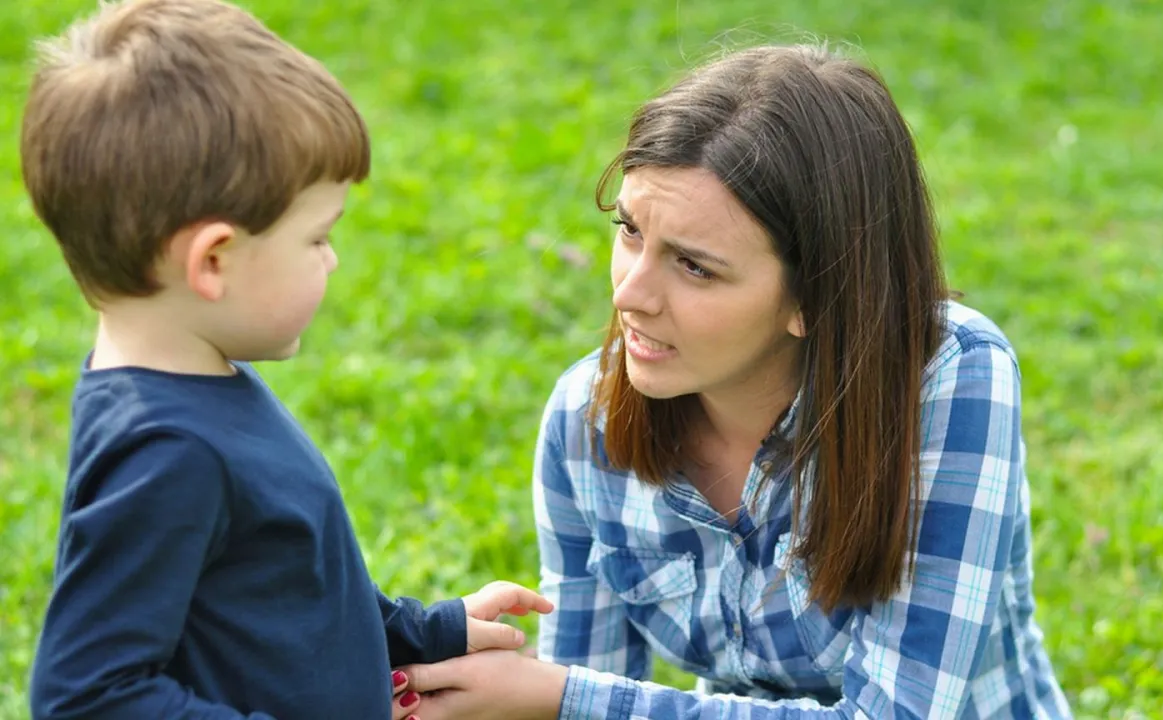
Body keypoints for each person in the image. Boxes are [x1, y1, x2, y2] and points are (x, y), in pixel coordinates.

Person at [392, 43, 1073, 718]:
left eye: (694, 266)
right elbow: (590, 687)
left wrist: (557, 697)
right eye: (628, 231)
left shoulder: (950, 379)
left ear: (817, 296)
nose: (629, 295)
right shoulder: (585, 419)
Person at [21, 1, 551, 718]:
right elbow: (86, 695)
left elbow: (280, 587)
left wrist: (424, 632)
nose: (332, 259)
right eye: (316, 238)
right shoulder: (168, 454)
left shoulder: (196, 382)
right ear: (215, 260)